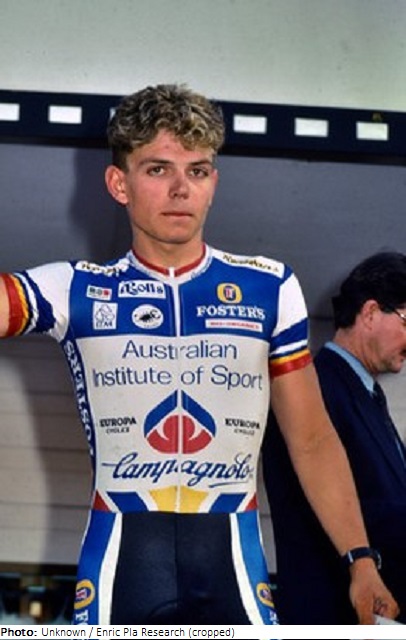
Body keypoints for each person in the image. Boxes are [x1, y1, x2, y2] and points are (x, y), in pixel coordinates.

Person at [0, 85, 398, 625]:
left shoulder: (269, 287)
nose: (180, 189)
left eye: (198, 171)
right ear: (119, 183)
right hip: (121, 558)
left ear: (214, 182)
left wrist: (361, 561)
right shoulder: (74, 288)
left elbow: (311, 440)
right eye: (158, 169)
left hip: (232, 557)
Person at [263, 251, 406, 624]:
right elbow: (356, 505)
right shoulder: (313, 388)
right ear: (370, 312)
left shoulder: (366, 395)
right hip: (335, 610)